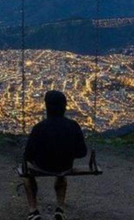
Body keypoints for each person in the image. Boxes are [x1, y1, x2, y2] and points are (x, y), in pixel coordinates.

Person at [23, 90, 87, 220]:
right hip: (65, 166)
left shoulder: (39, 128)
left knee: (26, 174)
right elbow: (82, 152)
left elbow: (27, 155)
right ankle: (60, 209)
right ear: (65, 106)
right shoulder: (73, 126)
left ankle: (33, 211)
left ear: (46, 107)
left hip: (42, 167)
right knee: (61, 174)